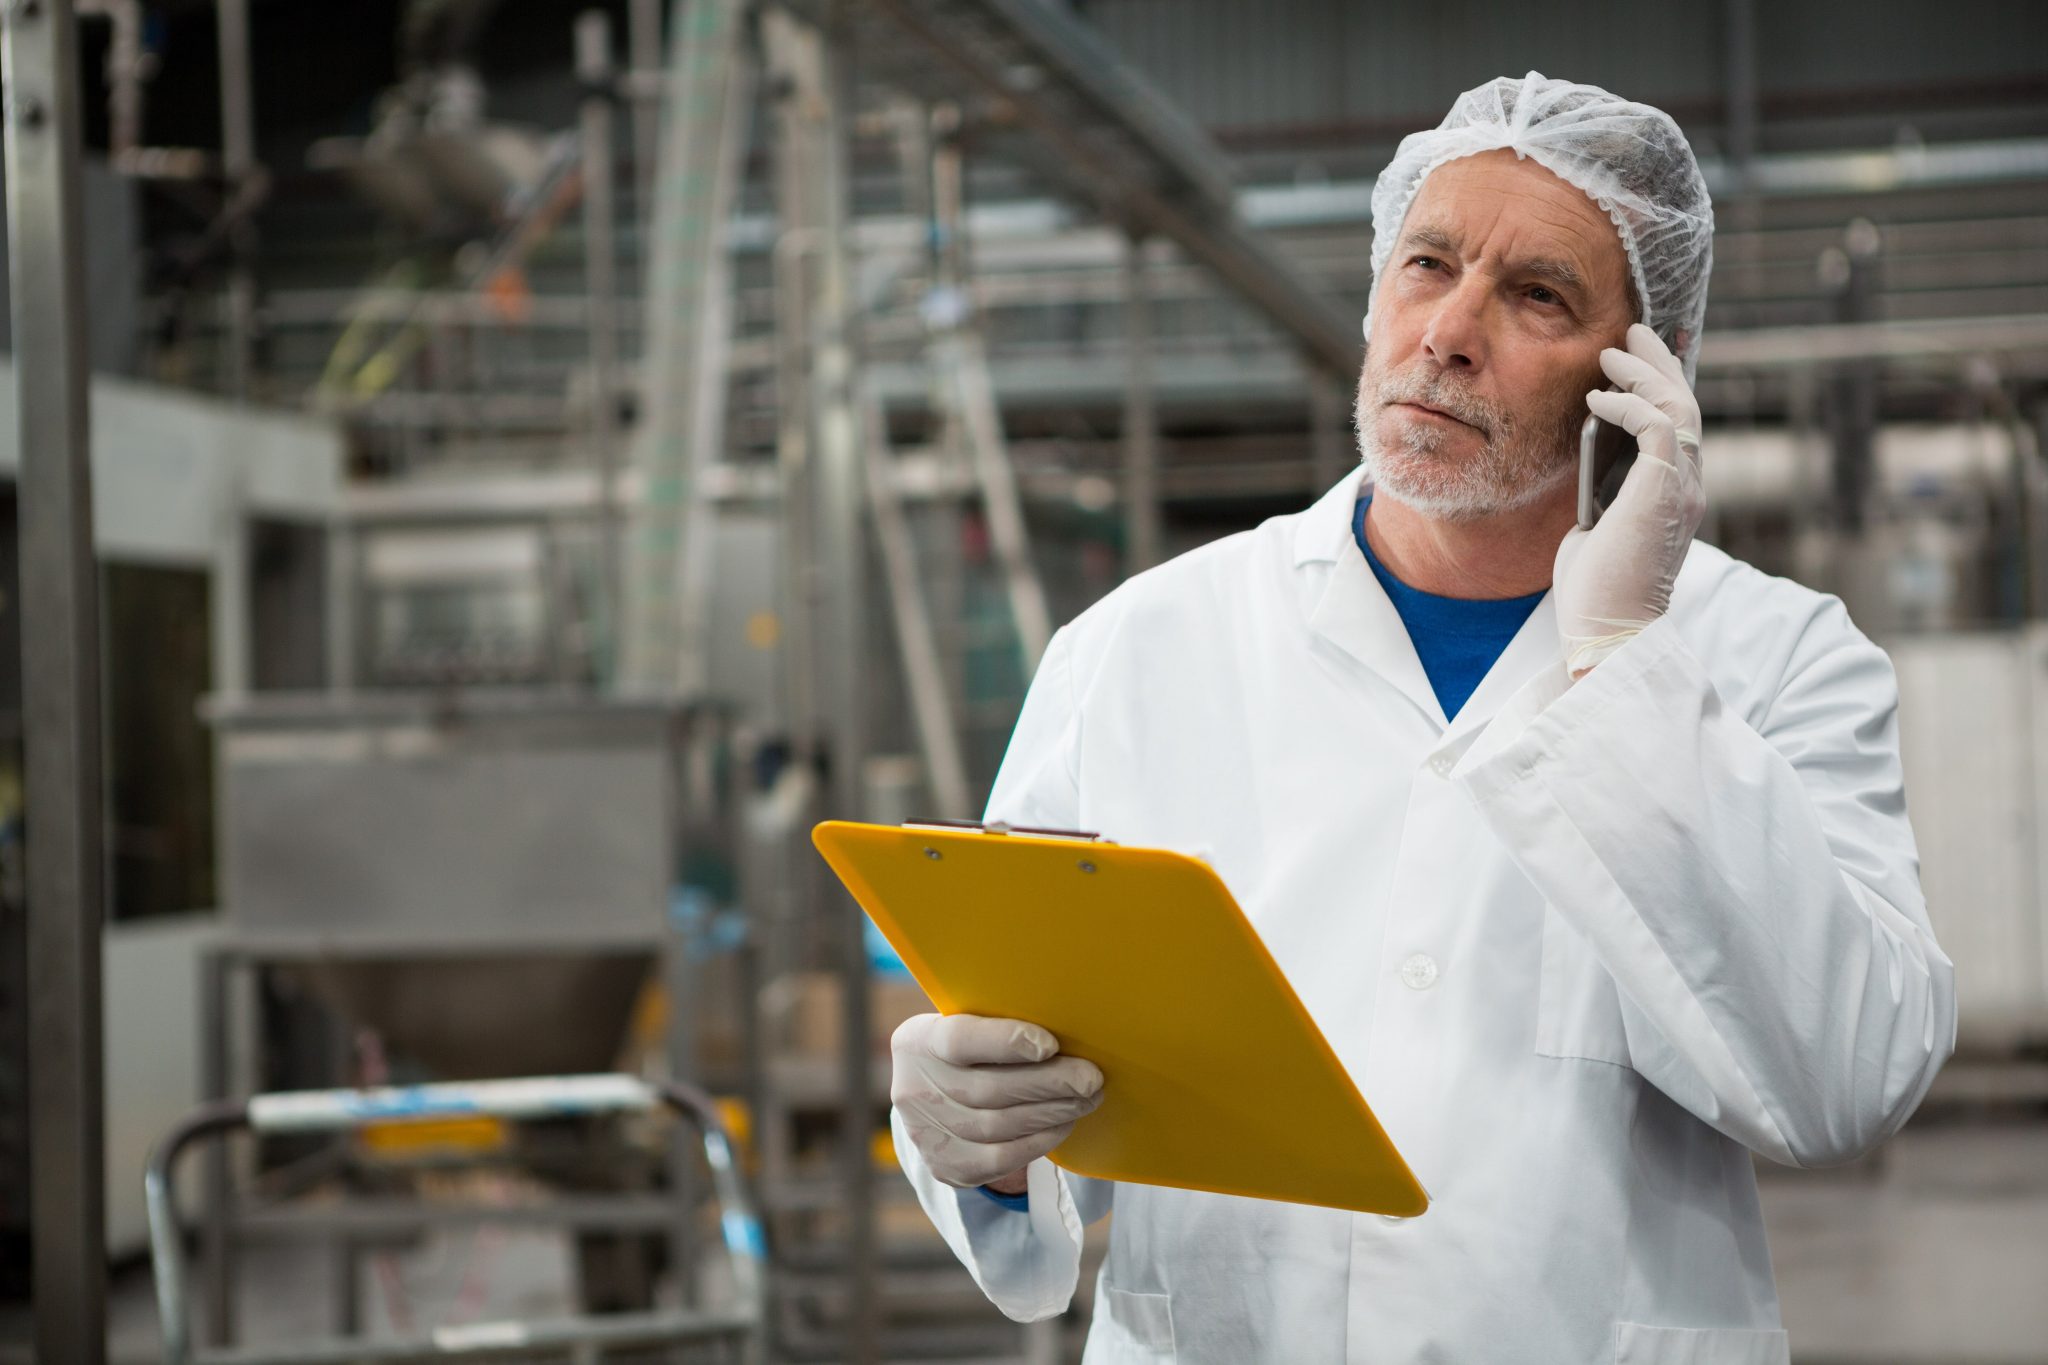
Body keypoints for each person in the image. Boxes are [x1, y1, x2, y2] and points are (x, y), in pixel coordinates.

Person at [887, 73, 1955, 1363]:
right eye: (1427, 265)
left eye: (1536, 295)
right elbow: (1013, 1046)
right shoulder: (1135, 650)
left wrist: (1622, 667)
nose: (1450, 330)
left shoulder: (1778, 660)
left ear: (1643, 371)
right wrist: (971, 1142)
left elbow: (1843, 1079)